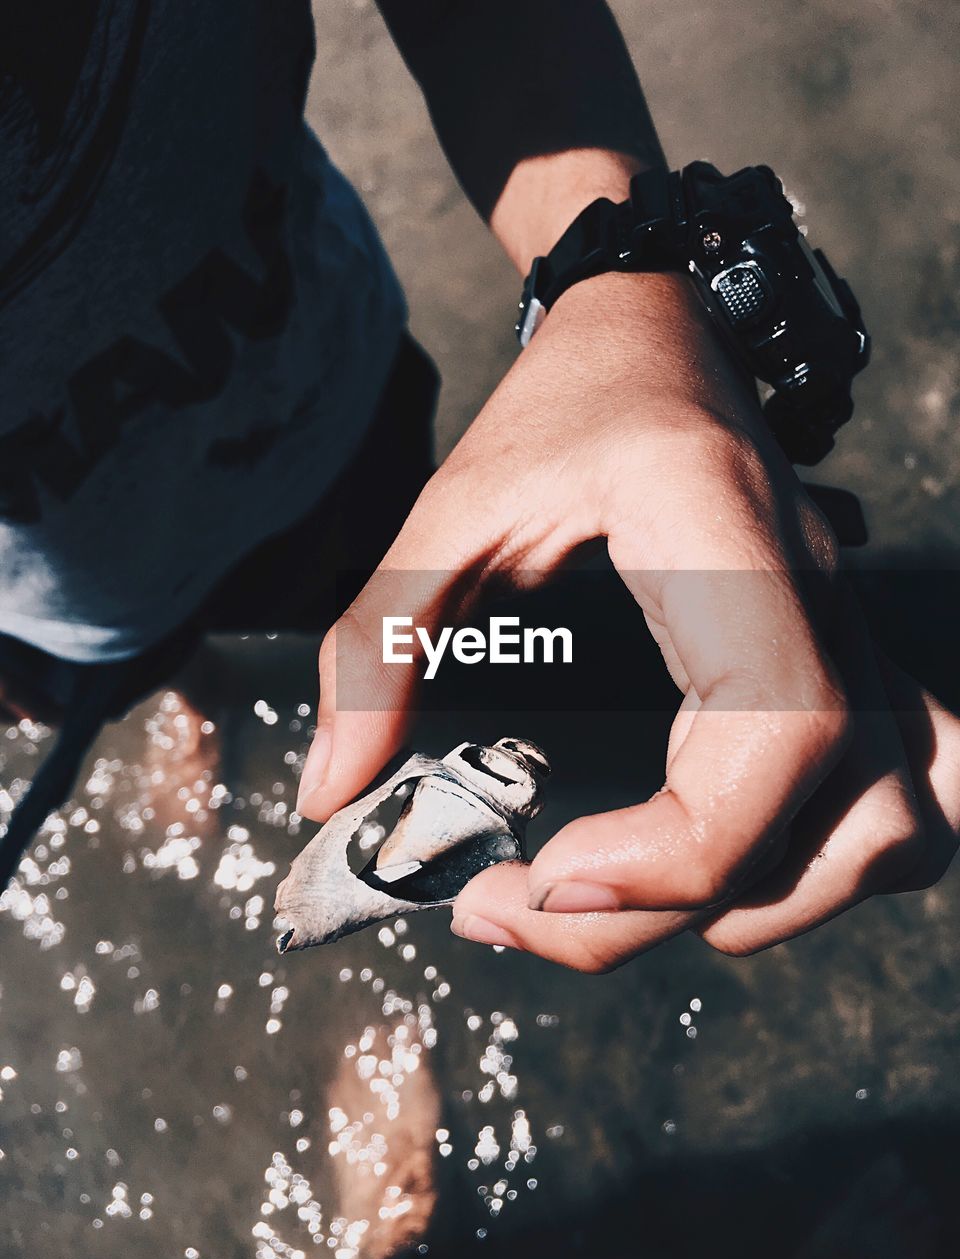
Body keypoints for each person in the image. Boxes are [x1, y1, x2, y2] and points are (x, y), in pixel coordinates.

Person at [1, 1, 957, 968]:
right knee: (147, 652)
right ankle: (191, 687)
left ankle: (209, 678)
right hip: (59, 594)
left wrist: (626, 291)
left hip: (324, 408)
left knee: (378, 629)